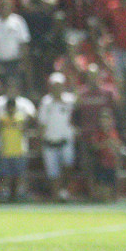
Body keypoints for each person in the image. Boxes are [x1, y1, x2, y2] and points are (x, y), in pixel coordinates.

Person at [37, 72, 77, 201]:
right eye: (54, 86)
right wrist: (41, 141)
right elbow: (42, 123)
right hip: (50, 141)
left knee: (68, 165)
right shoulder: (46, 102)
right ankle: (56, 196)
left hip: (65, 141)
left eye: (59, 86)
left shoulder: (70, 100)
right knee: (53, 173)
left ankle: (65, 191)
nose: (57, 89)